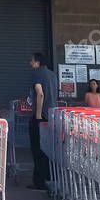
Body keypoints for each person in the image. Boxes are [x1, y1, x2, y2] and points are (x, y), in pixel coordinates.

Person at [28, 52, 57, 191]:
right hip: (51, 116)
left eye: (32, 61)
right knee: (46, 148)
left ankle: (39, 182)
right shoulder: (52, 75)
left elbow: (39, 93)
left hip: (40, 117)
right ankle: (47, 177)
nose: (30, 63)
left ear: (38, 62)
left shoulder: (36, 73)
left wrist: (38, 115)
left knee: (37, 148)